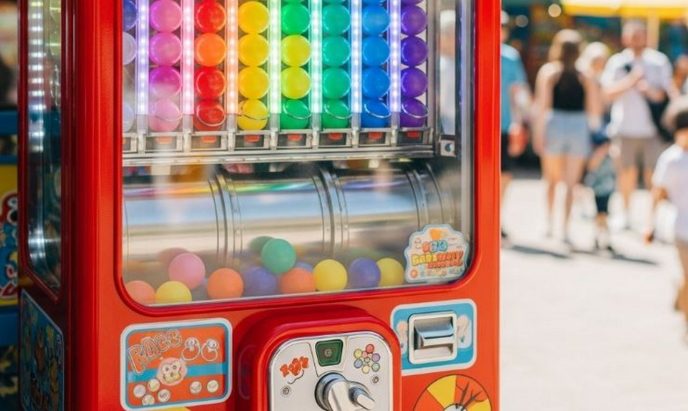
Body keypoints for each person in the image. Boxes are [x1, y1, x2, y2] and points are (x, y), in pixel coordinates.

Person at [602, 20, 674, 230]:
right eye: (633, 36)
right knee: (626, 173)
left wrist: (647, 90)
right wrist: (630, 81)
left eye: (640, 35)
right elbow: (607, 93)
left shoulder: (658, 61)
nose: (637, 40)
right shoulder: (617, 62)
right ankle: (626, 214)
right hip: (624, 127)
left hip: (652, 129)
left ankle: (653, 219)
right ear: (625, 38)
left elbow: (665, 94)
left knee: (654, 175)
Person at [533, 29, 602, 244]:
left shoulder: (549, 72)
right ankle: (565, 229)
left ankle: (549, 224)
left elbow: (542, 107)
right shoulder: (586, 75)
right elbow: (594, 109)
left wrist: (538, 134)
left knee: (551, 180)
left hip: (554, 124)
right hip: (578, 126)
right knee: (571, 183)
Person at [646, 97, 688, 337]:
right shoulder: (671, 160)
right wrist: (650, 225)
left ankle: (681, 293)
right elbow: (658, 193)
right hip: (681, 228)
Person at [500, 11, 531, 239]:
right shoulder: (471, 50)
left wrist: (519, 124)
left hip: (504, 125)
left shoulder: (510, 56)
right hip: (475, 128)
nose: (500, 30)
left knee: (504, 175)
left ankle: (496, 218)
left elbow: (517, 93)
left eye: (503, 26)